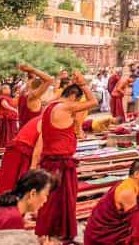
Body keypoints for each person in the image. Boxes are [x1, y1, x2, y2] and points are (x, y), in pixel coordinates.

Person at [34, 72, 100, 243]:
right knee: (62, 201)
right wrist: (84, 84)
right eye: (77, 101)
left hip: (48, 161)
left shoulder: (49, 107)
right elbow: (94, 102)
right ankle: (55, 235)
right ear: (72, 96)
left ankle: (47, 234)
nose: (77, 106)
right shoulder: (65, 107)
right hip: (60, 163)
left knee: (49, 200)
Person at [83, 158, 139, 245]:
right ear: (136, 174)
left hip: (100, 229)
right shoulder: (128, 191)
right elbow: (133, 222)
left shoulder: (128, 183)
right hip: (102, 236)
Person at [0, 116, 42, 210]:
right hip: (20, 151)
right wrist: (33, 169)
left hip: (21, 149)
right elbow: (38, 150)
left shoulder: (46, 117)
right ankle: (0, 212)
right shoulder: (50, 120)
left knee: (7, 182)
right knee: (9, 184)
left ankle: (3, 211)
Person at [0, 169, 54, 233]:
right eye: (46, 195)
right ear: (33, 194)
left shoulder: (2, 206)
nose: (45, 200)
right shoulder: (14, 218)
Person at [16, 63, 54, 127]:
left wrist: (30, 71)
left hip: (23, 129)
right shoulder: (33, 96)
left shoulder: (22, 92)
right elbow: (50, 80)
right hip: (32, 132)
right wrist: (32, 70)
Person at [0, 84, 19, 151]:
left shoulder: (9, 97)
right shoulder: (2, 97)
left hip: (11, 117)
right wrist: (14, 110)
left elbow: (14, 104)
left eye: (9, 89)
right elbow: (5, 105)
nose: (9, 90)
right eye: (8, 89)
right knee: (6, 133)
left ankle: (11, 146)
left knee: (12, 132)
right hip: (6, 118)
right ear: (3, 90)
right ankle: (4, 146)